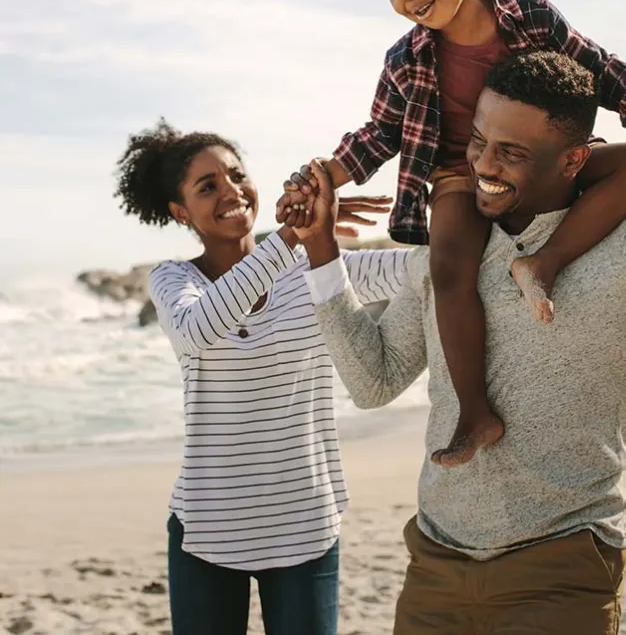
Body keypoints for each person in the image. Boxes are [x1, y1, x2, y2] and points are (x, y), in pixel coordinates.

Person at [294, 51, 626, 635]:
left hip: (563, 567)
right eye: (478, 141)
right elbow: (374, 381)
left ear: (574, 160)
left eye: (511, 153)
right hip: (436, 564)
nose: (483, 165)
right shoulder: (449, 251)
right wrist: (321, 254)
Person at [277, 0, 626, 467]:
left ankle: (543, 263)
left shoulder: (530, 16)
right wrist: (324, 174)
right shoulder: (405, 59)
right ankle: (475, 414)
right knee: (448, 264)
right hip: (459, 172)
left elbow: (600, 68)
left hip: (540, 164)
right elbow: (380, 132)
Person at [114, 120, 409, 635]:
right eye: (208, 187)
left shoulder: (316, 268)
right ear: (180, 212)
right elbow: (199, 328)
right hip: (208, 530)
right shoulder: (173, 280)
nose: (231, 191)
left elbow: (421, 270)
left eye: (236, 175)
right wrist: (291, 237)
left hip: (306, 527)